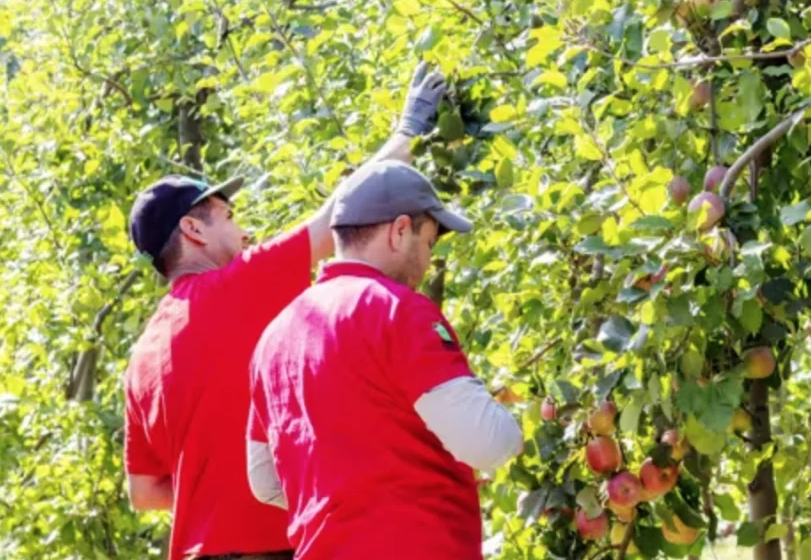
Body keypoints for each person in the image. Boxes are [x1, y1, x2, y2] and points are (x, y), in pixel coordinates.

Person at [122, 64, 449, 560]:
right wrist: (408, 132)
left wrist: (214, 494)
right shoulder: (236, 287)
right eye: (229, 219)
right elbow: (342, 217)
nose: (245, 233)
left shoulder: (141, 356)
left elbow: (144, 492)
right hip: (272, 548)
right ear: (193, 231)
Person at [245, 160, 524, 559]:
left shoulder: (273, 338)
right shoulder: (398, 310)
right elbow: (489, 442)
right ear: (400, 231)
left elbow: (264, 481)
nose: (427, 262)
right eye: (428, 243)